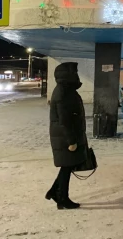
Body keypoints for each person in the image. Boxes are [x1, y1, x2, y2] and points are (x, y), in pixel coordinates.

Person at [45, 62, 87, 210]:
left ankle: (55, 192)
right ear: (67, 74)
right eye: (74, 72)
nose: (76, 75)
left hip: (66, 135)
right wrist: (71, 140)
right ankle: (61, 198)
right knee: (66, 167)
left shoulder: (67, 90)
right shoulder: (63, 92)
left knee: (67, 167)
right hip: (65, 137)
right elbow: (64, 119)